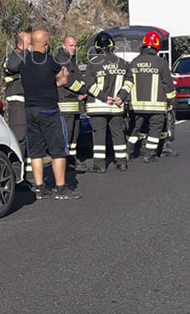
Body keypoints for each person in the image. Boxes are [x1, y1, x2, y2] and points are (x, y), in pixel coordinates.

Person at [20, 30, 81, 200]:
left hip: (30, 110)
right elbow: (63, 80)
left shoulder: (24, 64)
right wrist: (62, 78)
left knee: (36, 150)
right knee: (58, 148)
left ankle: (40, 187)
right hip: (49, 109)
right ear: (46, 44)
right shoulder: (50, 62)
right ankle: (60, 187)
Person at [116, 31, 175, 163]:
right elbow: (168, 85)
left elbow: (128, 82)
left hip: (136, 106)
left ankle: (128, 152)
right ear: (157, 46)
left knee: (134, 129)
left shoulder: (134, 62)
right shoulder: (160, 62)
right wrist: (171, 101)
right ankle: (149, 154)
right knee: (155, 130)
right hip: (156, 106)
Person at [84, 32, 130, 172]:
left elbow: (89, 85)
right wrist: (121, 97)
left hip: (99, 106)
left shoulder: (93, 64)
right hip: (117, 106)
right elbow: (129, 83)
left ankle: (99, 165)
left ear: (97, 46)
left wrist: (104, 98)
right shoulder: (122, 63)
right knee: (118, 134)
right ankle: (122, 162)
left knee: (99, 135)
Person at [54, 36, 86, 167]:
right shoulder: (61, 61)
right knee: (67, 133)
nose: (73, 48)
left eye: (75, 46)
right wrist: (83, 90)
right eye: (70, 45)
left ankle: (72, 158)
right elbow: (67, 81)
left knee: (74, 134)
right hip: (65, 104)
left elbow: (77, 77)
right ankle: (64, 161)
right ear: (63, 45)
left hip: (74, 104)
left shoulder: (70, 60)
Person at [2, 32, 31, 176]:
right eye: (29, 43)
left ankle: (29, 175)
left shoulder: (30, 58)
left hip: (31, 104)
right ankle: (15, 176)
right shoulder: (13, 57)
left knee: (31, 140)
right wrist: (26, 53)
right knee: (19, 138)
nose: (32, 46)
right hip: (17, 104)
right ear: (20, 45)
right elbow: (12, 66)